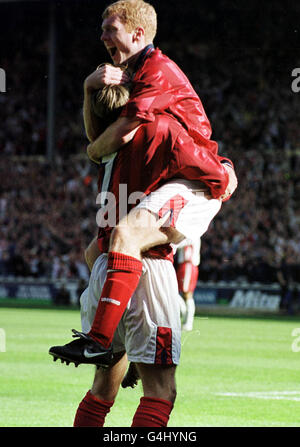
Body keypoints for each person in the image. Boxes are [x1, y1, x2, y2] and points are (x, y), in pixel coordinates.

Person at [49, 0, 237, 370]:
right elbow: (105, 134)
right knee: (97, 251)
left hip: (198, 177)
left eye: (110, 29)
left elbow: (114, 134)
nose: (102, 37)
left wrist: (226, 175)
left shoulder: (156, 71)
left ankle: (102, 342)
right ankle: (116, 347)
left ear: (137, 34)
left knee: (126, 234)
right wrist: (89, 89)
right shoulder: (134, 75)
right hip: (178, 172)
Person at [176, 238, 201, 331]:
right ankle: (186, 321)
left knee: (186, 294)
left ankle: (187, 320)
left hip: (187, 265)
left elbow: (180, 244)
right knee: (184, 294)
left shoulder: (191, 232)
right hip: (187, 265)